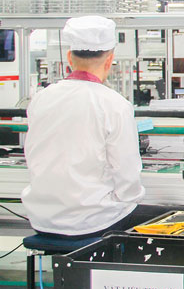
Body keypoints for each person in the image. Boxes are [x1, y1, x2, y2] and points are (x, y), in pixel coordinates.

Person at [22, 16, 174, 239]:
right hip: (93, 222)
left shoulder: (41, 98)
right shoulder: (114, 104)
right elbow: (127, 177)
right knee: (178, 216)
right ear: (109, 59)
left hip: (41, 220)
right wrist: (127, 198)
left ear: (69, 57)